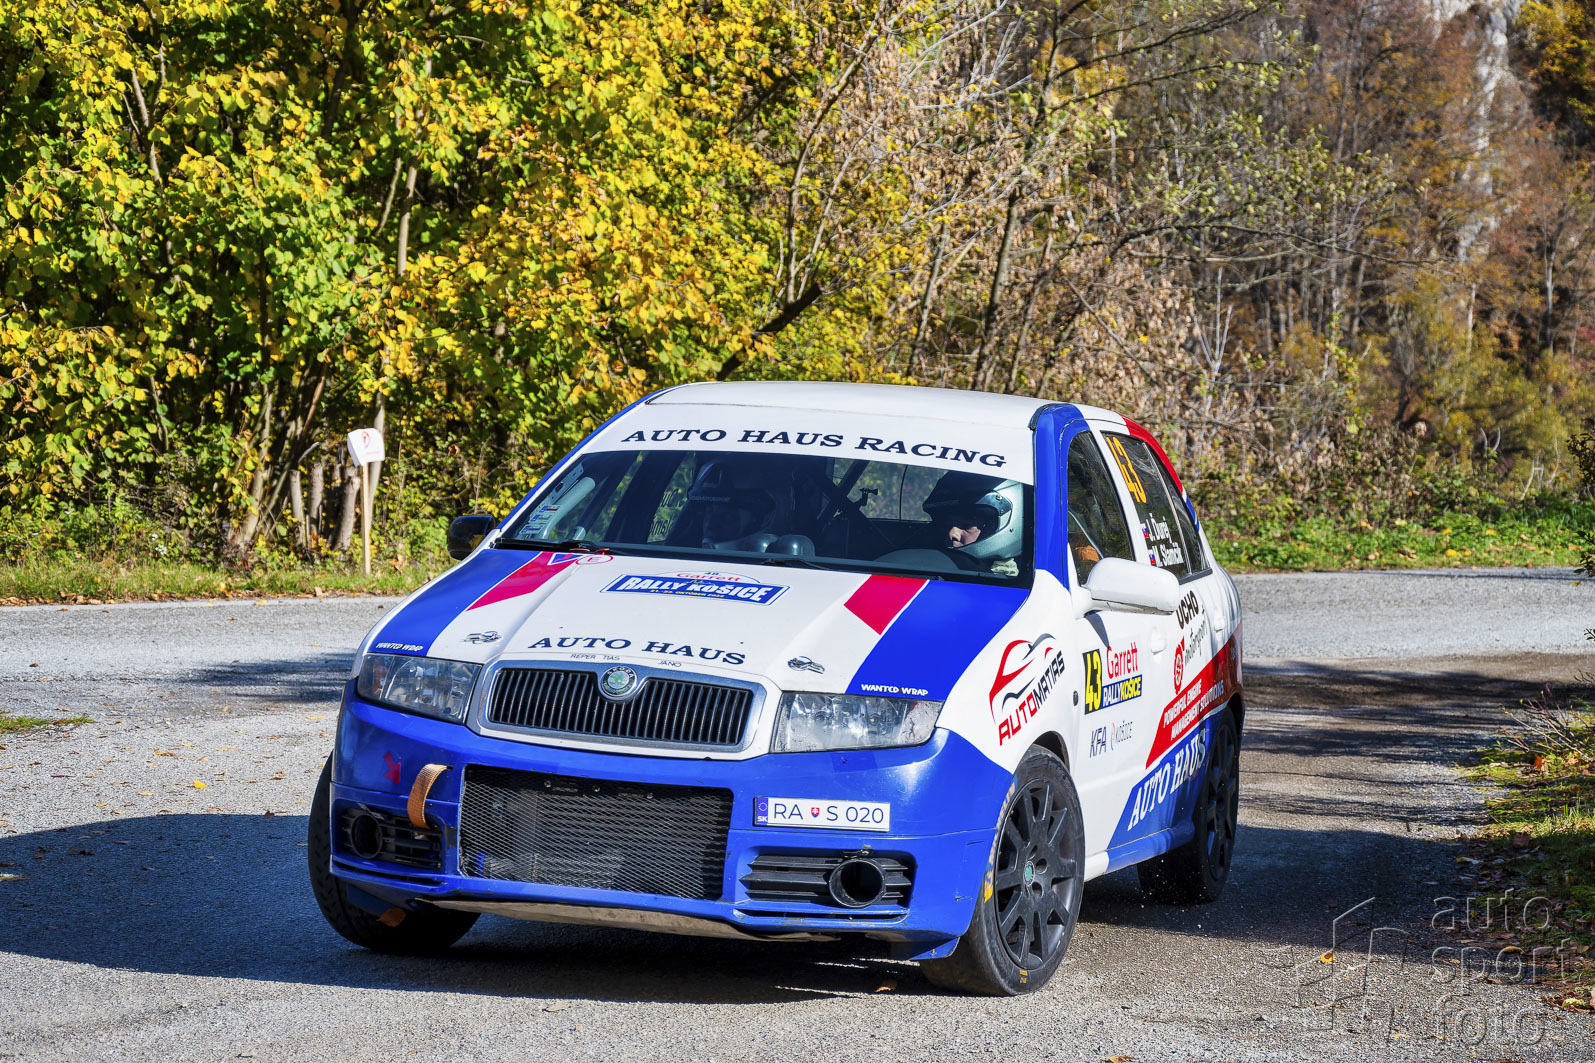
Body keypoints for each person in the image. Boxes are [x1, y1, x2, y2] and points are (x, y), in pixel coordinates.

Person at [921, 471, 1025, 576]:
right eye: (947, 525)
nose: (951, 534)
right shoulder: (926, 567)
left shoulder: (1013, 585)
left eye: (966, 526)